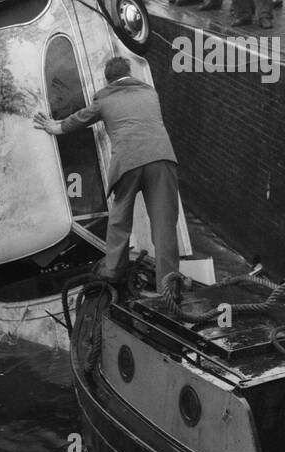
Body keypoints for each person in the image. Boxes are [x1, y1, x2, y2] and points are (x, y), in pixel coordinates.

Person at [33, 55, 180, 290]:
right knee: (164, 224)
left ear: (108, 80)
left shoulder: (104, 99)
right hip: (162, 159)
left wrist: (54, 127)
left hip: (128, 162)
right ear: (129, 73)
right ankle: (169, 284)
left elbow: (79, 119)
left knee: (120, 219)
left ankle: (113, 270)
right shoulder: (150, 93)